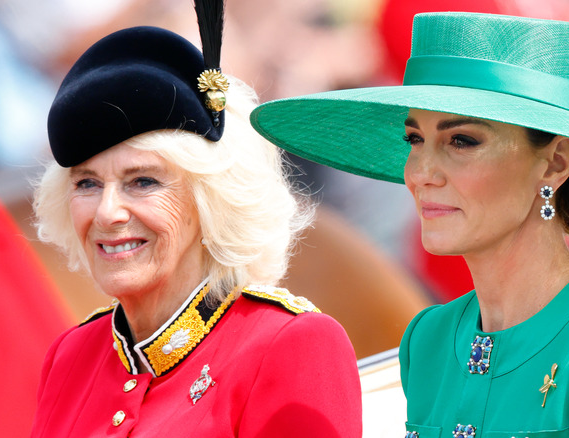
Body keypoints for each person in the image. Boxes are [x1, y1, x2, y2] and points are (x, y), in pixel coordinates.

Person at [249, 12, 569, 437]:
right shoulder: (430, 337)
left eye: (461, 141)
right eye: (415, 139)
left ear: (555, 163)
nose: (420, 173)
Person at [29, 3, 362, 436]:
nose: (107, 212)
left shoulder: (290, 344)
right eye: (87, 184)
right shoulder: (70, 354)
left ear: (211, 200)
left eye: (143, 181)